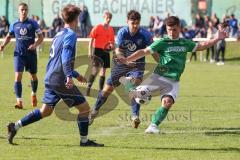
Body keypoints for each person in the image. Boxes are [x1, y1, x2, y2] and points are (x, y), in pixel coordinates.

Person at [6, 4, 104, 147]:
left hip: (51, 77)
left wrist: (75, 75)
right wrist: (70, 77)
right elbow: (65, 57)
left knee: (45, 111)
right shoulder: (71, 35)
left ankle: (15, 126)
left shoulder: (58, 34)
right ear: (76, 19)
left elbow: (57, 61)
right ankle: (84, 141)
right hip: (60, 80)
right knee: (85, 109)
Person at [117, 16, 228, 134]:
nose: (171, 32)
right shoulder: (162, 42)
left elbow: (202, 46)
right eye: (169, 29)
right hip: (158, 77)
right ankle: (129, 84)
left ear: (179, 28)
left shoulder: (184, 43)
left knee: (167, 102)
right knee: (136, 95)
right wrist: (127, 59)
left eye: (174, 29)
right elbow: (144, 51)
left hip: (174, 81)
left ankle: (153, 126)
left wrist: (217, 38)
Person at [89, 10, 153, 128]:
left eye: (137, 23)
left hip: (137, 65)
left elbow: (153, 49)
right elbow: (117, 51)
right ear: (127, 21)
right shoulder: (122, 32)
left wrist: (161, 61)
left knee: (134, 87)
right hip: (120, 64)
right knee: (106, 91)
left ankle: (135, 116)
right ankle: (94, 111)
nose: (135, 26)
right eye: (132, 23)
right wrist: (124, 60)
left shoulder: (145, 34)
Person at [0, 3, 44, 109]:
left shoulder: (33, 23)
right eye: (22, 10)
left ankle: (33, 93)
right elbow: (9, 36)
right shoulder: (14, 24)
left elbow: (41, 37)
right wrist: (3, 45)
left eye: (25, 9)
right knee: (18, 76)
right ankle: (19, 101)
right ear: (18, 11)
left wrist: (35, 45)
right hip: (18, 54)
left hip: (31, 55)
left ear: (27, 11)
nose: (24, 11)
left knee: (33, 76)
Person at [86, 11, 115, 96]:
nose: (109, 19)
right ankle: (88, 88)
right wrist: (89, 51)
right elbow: (91, 39)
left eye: (110, 18)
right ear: (104, 17)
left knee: (103, 71)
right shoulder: (97, 27)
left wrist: (111, 47)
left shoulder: (111, 29)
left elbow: (112, 42)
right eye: (107, 18)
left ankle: (100, 91)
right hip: (97, 50)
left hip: (105, 51)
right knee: (95, 71)